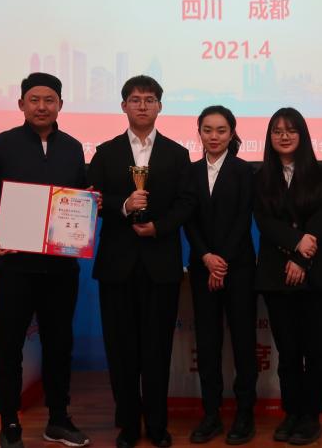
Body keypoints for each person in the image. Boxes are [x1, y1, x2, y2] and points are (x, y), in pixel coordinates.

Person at [0, 72, 93, 448]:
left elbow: (78, 197)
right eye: (34, 99)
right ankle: (9, 422)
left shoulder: (73, 148)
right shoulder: (2, 144)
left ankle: (58, 419)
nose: (41, 106)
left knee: (59, 345)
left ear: (60, 105)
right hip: (16, 266)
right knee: (9, 347)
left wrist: (90, 204)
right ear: (21, 104)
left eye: (49, 100)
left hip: (60, 268)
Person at [88, 76, 190, 448]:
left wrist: (158, 227)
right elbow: (91, 200)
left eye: (149, 99)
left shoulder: (177, 154)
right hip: (117, 265)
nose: (142, 105)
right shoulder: (105, 152)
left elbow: (186, 203)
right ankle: (129, 425)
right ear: (124, 106)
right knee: (121, 350)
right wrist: (123, 205)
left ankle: (158, 425)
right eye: (135, 99)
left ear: (159, 106)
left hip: (160, 264)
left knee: (158, 349)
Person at [253, 108, 322, 446]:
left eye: (290, 130)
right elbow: (264, 221)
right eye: (277, 131)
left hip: (316, 276)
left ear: (302, 135)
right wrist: (294, 244)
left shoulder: (321, 174)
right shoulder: (261, 177)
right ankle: (291, 412)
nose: (284, 136)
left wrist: (302, 259)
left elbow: (321, 218)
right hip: (276, 275)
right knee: (287, 352)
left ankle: (311, 416)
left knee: (316, 352)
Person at [178, 106, 257, 445]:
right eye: (207, 130)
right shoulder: (190, 172)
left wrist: (221, 261)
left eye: (221, 130)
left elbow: (243, 219)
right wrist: (206, 258)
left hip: (238, 269)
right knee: (208, 344)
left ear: (232, 133)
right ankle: (211, 414)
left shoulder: (244, 171)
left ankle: (245, 414)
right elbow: (188, 220)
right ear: (199, 132)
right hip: (202, 268)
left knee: (243, 342)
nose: (214, 136)